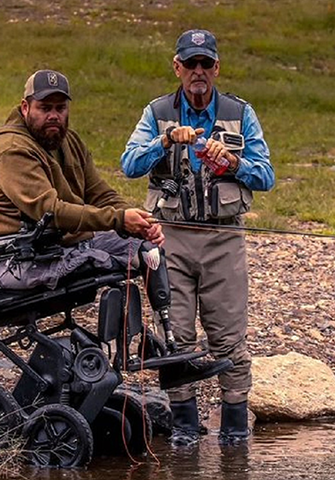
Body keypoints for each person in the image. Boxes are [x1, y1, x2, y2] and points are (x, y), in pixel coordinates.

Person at [0, 69, 229, 386]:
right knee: (105, 261)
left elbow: (100, 193)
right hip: (16, 261)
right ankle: (114, 355)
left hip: (55, 246)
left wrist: (135, 220)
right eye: (45, 108)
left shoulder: (68, 141)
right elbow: (51, 212)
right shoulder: (12, 150)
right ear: (25, 108)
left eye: (60, 108)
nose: (53, 115)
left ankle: (169, 352)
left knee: (146, 250)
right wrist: (117, 221)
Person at [121, 29, 275, 446]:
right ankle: (185, 431)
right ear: (177, 68)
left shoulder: (240, 112)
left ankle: (235, 432)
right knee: (176, 337)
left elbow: (267, 175)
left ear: (217, 68)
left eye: (206, 63)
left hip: (224, 240)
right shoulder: (156, 113)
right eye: (191, 64)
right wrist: (166, 140)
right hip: (170, 238)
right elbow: (129, 163)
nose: (198, 72)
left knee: (229, 338)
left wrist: (235, 163)